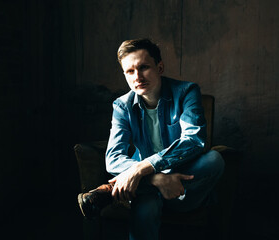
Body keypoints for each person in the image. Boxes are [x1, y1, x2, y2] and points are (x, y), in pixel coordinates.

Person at [78, 38, 225, 240]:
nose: (137, 76)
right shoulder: (122, 106)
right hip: (146, 187)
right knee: (145, 210)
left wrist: (142, 168)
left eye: (144, 67)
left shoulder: (186, 92)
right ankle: (151, 185)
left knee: (214, 159)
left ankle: (110, 191)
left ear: (160, 67)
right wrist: (155, 178)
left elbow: (194, 140)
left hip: (181, 185)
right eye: (130, 71)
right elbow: (113, 158)